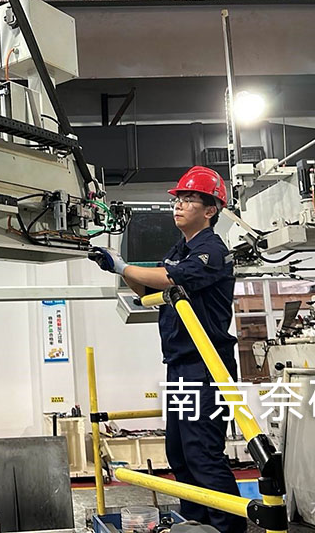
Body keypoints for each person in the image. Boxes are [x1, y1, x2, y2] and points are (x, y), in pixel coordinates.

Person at [88, 166, 246, 533]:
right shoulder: (180, 249)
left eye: (189, 199)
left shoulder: (211, 250)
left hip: (207, 366)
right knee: (179, 453)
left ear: (211, 210)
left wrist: (124, 265)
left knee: (203, 454)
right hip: (180, 365)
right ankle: (197, 525)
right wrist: (118, 268)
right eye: (178, 199)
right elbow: (149, 289)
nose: (179, 205)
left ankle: (228, 529)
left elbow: (169, 278)